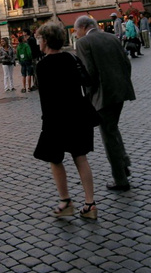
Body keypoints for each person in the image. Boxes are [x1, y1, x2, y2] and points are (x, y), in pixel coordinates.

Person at [30, 24, 100, 221]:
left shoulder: (43, 65)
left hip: (57, 119)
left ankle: (66, 201)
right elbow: (86, 81)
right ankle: (90, 203)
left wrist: (46, 123)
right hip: (78, 115)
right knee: (81, 157)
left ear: (45, 40)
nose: (38, 42)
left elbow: (46, 99)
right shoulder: (72, 58)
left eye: (39, 39)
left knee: (55, 159)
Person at [74, 16, 138, 192]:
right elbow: (126, 63)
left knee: (108, 135)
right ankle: (123, 163)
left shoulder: (84, 43)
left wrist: (88, 95)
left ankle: (120, 179)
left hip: (102, 96)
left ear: (84, 27)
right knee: (113, 129)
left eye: (76, 30)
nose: (75, 34)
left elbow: (89, 73)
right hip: (120, 91)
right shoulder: (112, 37)